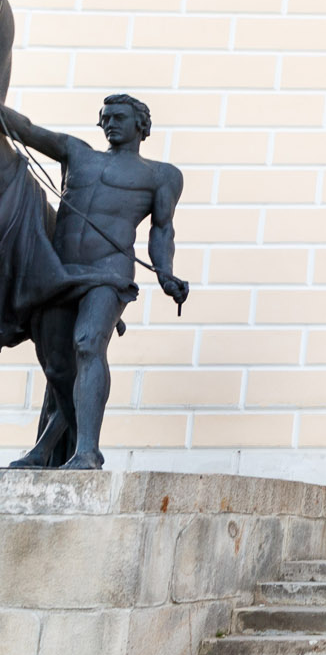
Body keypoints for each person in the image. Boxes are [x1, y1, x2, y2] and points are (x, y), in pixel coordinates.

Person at [1, 91, 187, 469]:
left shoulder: (161, 174)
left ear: (141, 125)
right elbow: (28, 130)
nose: (110, 123)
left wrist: (165, 273)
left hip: (109, 272)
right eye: (105, 117)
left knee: (87, 344)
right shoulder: (77, 153)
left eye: (119, 117)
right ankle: (46, 447)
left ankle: (87, 450)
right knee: (58, 368)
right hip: (61, 271)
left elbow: (162, 230)